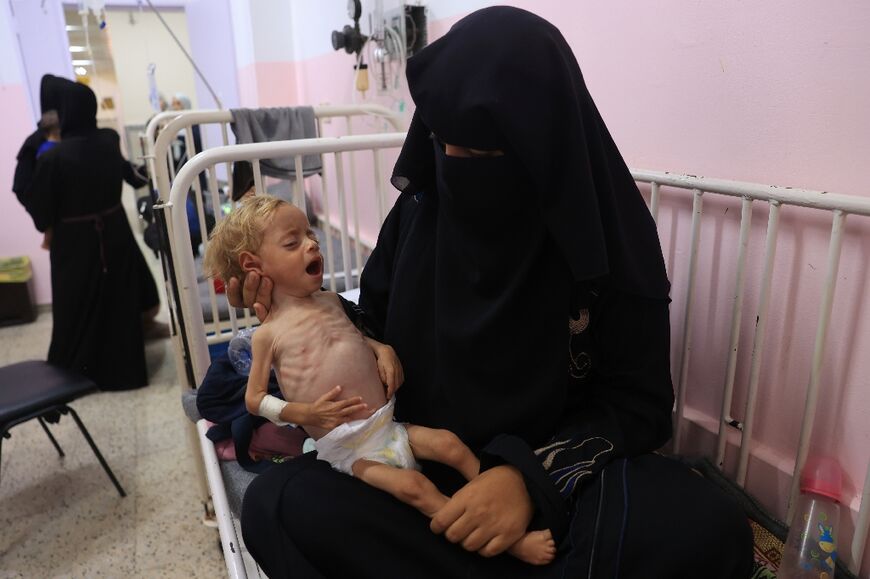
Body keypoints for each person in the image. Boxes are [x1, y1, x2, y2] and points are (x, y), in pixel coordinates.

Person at [234, 7, 753, 577]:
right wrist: (301, 316)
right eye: (443, 145)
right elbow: (372, 323)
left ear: (543, 144)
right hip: (417, 460)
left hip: (553, 484)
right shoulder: (420, 211)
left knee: (706, 527)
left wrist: (527, 479)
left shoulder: (608, 240)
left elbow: (639, 407)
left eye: (484, 154)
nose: (456, 168)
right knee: (276, 505)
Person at [204, 196, 557, 565]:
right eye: (293, 243)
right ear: (252, 265)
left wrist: (381, 348)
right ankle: (506, 544)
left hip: (387, 424)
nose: (312, 244)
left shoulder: (329, 301)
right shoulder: (268, 334)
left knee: (450, 445)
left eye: (311, 234)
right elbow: (255, 400)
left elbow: (351, 338)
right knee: (415, 488)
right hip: (350, 449)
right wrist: (303, 411)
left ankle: (491, 498)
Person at [27, 77, 163, 390]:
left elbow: (41, 213)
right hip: (114, 230)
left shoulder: (52, 157)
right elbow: (132, 176)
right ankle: (125, 371)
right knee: (119, 299)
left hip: (74, 242)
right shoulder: (108, 139)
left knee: (77, 306)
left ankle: (79, 374)